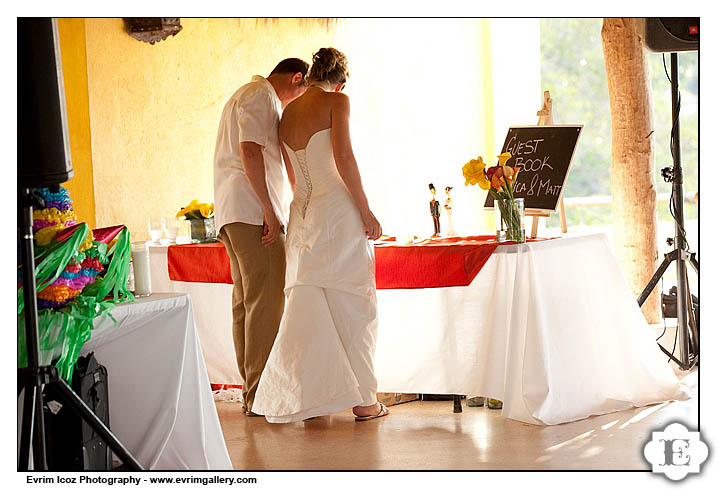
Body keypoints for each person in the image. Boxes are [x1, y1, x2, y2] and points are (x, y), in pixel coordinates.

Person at [252, 48, 388, 422]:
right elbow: (344, 157)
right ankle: (364, 402)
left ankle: (314, 401)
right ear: (340, 82)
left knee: (311, 307)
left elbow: (295, 181)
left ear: (309, 75)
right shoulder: (337, 101)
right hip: (337, 211)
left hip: (303, 214)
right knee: (354, 304)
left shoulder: (286, 114)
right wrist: (366, 211)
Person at [213, 58, 309, 416]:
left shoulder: (243, 94)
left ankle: (251, 391)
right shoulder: (261, 95)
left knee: (247, 303)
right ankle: (259, 394)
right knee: (267, 302)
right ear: (296, 78)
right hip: (251, 213)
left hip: (232, 211)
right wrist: (269, 208)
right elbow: (249, 150)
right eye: (302, 91)